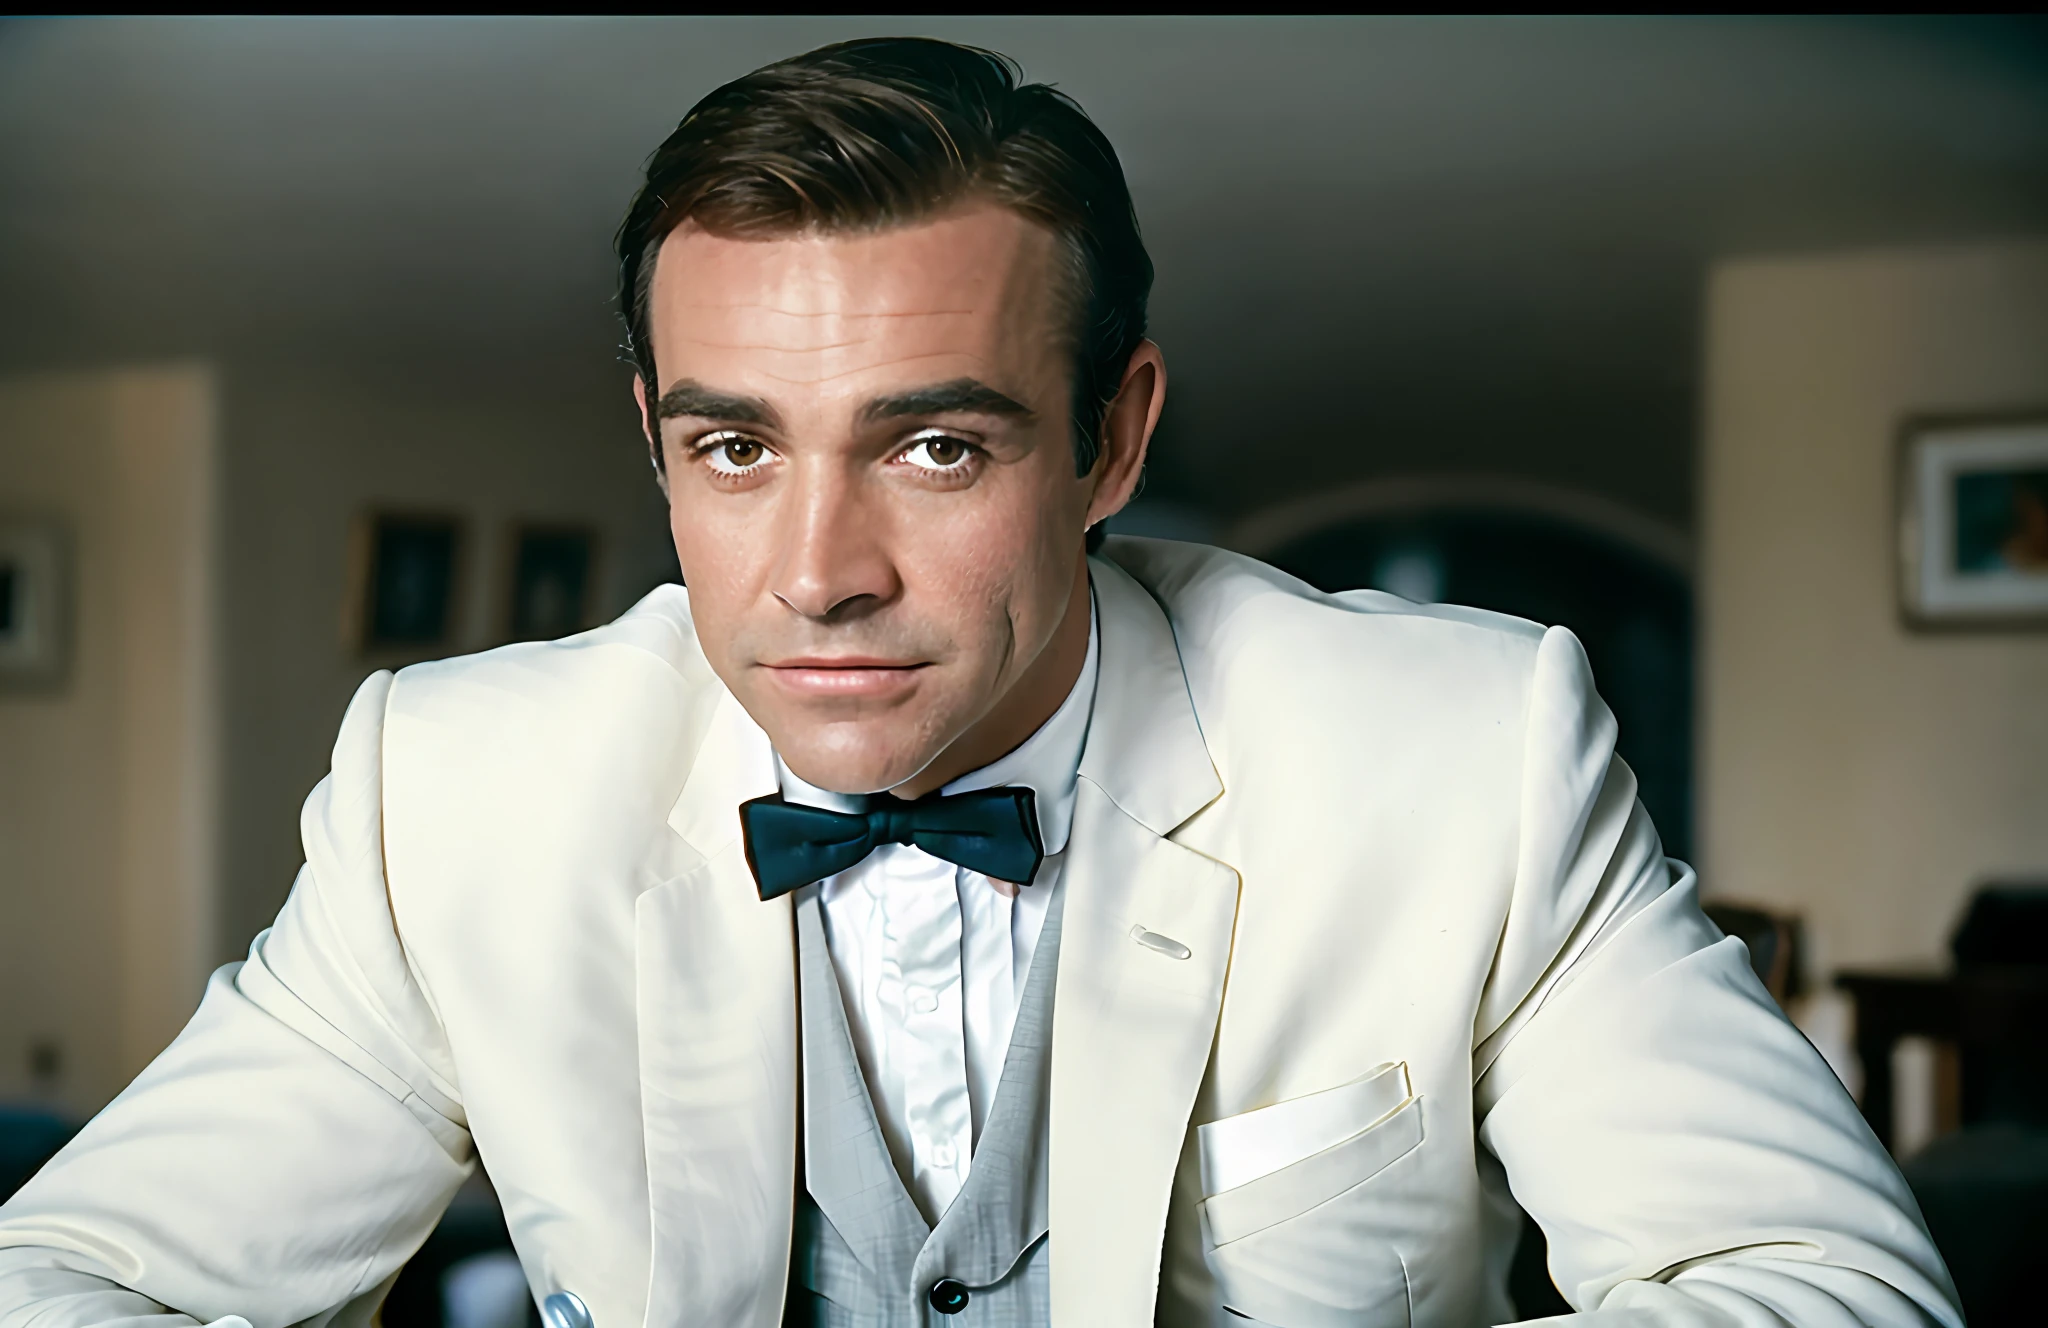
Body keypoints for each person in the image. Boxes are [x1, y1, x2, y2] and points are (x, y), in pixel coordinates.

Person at [0, 36, 1959, 1328]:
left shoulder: (1463, 755)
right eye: (734, 448)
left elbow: (1827, 1289)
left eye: (936, 447)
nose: (818, 575)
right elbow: (83, 1273)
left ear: (1113, 439)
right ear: (655, 440)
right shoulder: (453, 793)